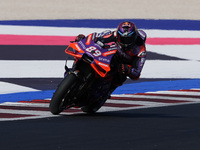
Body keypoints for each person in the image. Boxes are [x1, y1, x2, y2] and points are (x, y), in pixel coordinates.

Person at [67, 21, 147, 92]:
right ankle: (73, 70)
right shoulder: (113, 34)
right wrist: (83, 39)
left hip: (120, 66)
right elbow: (96, 37)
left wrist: (127, 69)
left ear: (134, 37)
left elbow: (137, 74)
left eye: (128, 39)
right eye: (122, 39)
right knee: (85, 52)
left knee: (119, 79)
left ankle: (104, 93)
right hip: (107, 56)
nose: (125, 42)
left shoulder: (141, 50)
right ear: (118, 35)